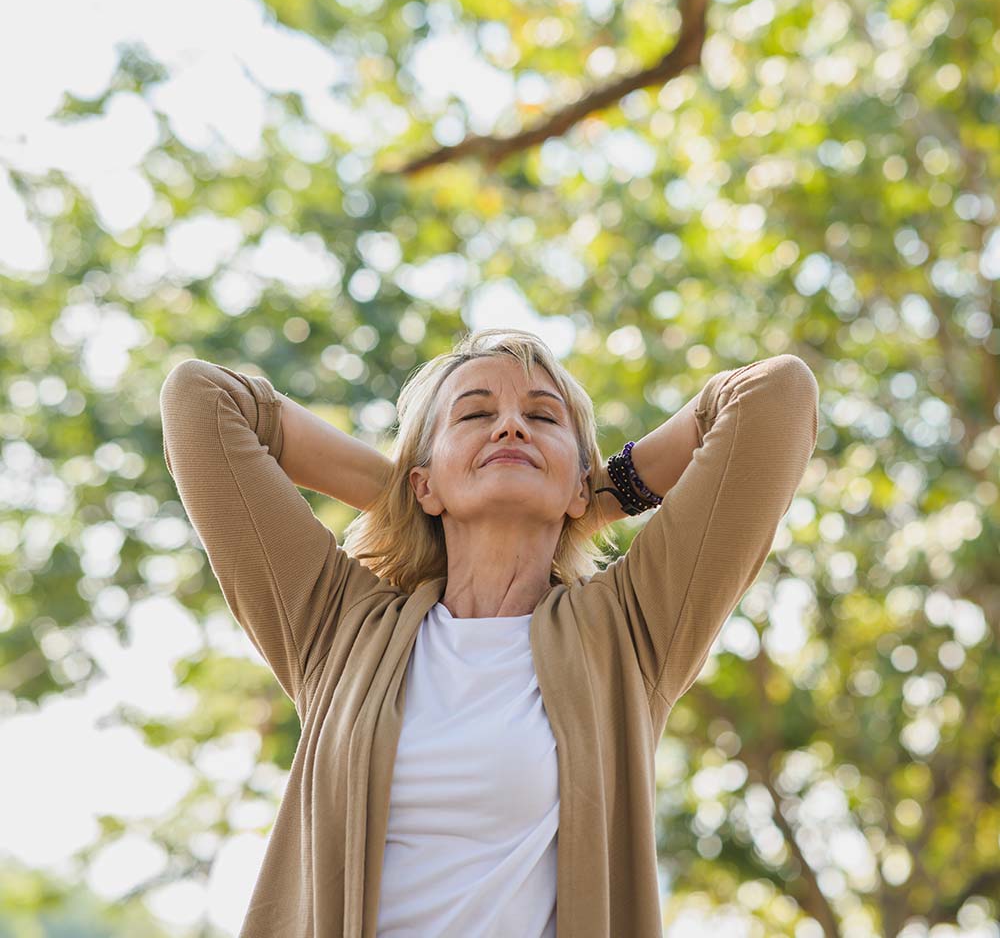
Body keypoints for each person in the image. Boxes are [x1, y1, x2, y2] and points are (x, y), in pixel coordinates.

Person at [159, 327, 819, 937]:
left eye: (541, 417)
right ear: (424, 482)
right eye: (475, 415)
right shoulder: (339, 625)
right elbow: (202, 401)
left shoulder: (628, 630)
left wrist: (598, 495)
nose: (510, 425)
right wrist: (408, 498)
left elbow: (775, 396)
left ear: (578, 486)